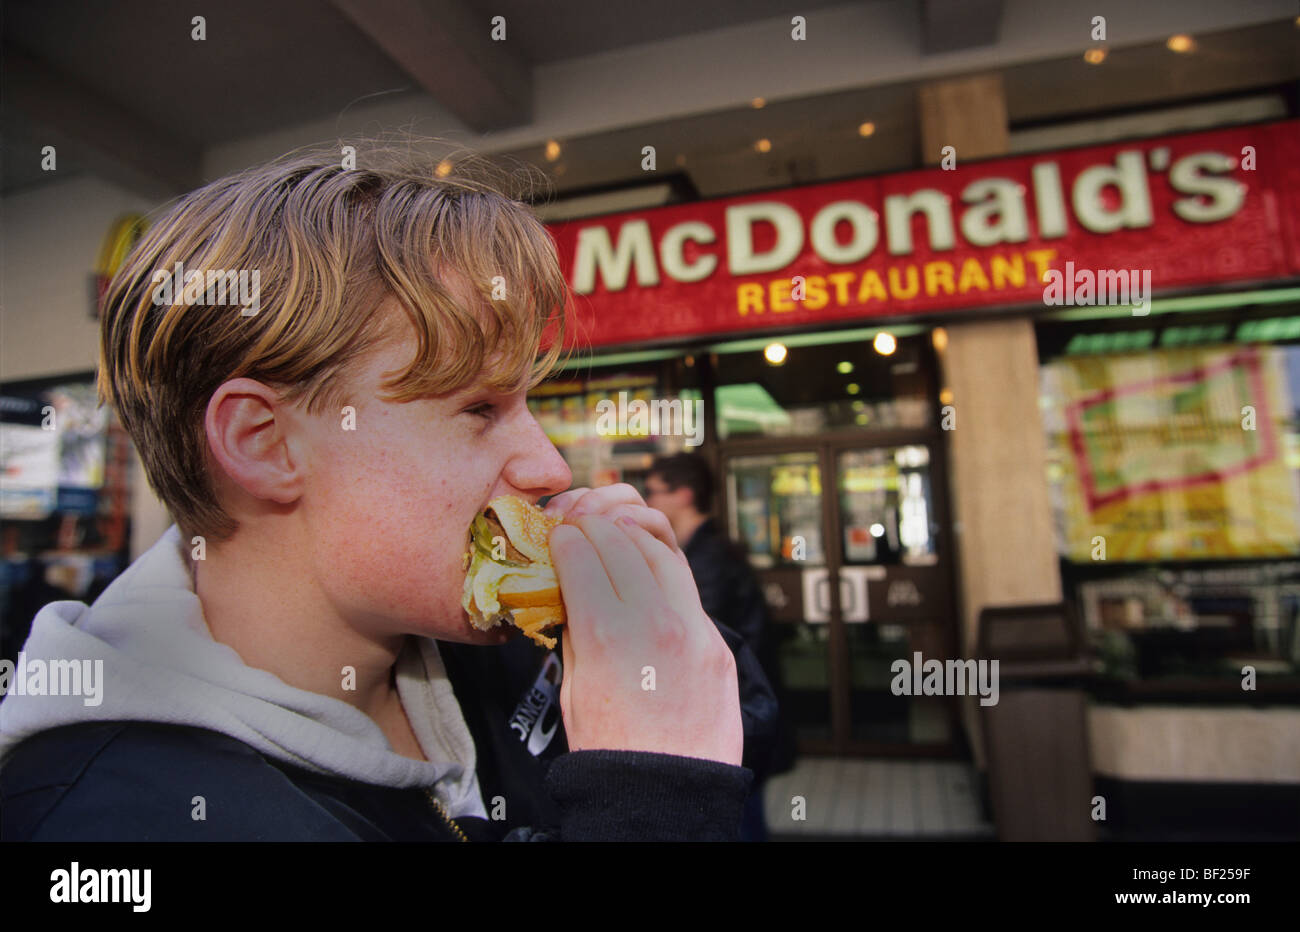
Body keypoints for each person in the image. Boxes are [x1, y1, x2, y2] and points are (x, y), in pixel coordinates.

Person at [0, 147, 750, 842]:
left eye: (527, 406)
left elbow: (747, 729)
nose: (550, 468)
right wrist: (657, 797)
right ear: (264, 442)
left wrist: (662, 627)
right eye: (479, 410)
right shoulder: (107, 823)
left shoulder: (480, 635)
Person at [645, 453, 789, 841]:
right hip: (737, 719)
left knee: (737, 820)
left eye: (654, 491)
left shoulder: (708, 559)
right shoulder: (704, 549)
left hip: (734, 722)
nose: (649, 501)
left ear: (685, 495)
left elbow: (688, 641)